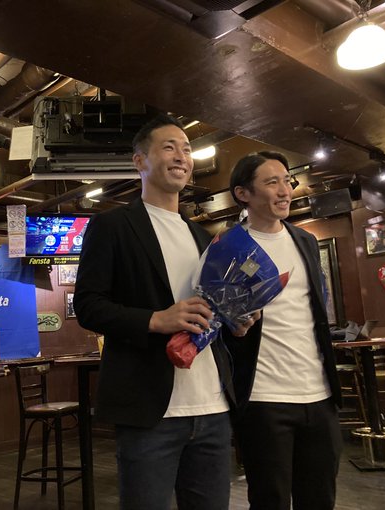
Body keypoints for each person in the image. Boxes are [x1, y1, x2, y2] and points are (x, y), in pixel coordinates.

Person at [74, 114, 255, 510]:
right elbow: (87, 306)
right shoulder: (112, 226)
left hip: (213, 408)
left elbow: (211, 316)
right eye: (169, 147)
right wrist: (156, 319)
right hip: (150, 412)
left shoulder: (204, 237)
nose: (181, 156)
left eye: (187, 150)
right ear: (140, 161)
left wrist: (235, 323)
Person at [224, 151, 343, 510]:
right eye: (271, 182)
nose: (284, 190)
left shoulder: (304, 240)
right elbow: (219, 319)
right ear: (243, 193)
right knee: (269, 500)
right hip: (264, 397)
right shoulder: (229, 247)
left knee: (320, 499)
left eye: (286, 181)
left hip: (319, 394)